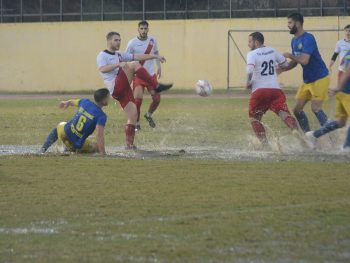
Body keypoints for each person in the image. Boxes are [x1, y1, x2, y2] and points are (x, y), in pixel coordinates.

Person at [97, 32, 172, 149]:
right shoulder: (102, 55)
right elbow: (102, 69)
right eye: (116, 40)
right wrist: (118, 65)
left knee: (133, 114)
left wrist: (155, 56)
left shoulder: (119, 54)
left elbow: (138, 56)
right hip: (116, 87)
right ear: (109, 41)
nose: (119, 42)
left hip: (123, 90)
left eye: (119, 40)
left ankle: (129, 145)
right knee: (133, 65)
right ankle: (155, 86)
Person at [246, 32, 302, 147]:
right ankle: (295, 130)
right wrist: (278, 68)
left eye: (250, 41)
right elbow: (285, 65)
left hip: (260, 91)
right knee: (284, 114)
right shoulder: (272, 50)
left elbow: (250, 71)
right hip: (275, 91)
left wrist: (248, 83)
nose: (248, 44)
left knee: (254, 118)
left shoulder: (252, 54)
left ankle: (265, 144)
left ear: (256, 42)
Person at [280, 13, 330, 133]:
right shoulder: (294, 40)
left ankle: (332, 136)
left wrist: (289, 55)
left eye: (290, 23)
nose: (288, 26)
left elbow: (304, 60)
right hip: (307, 80)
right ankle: (309, 137)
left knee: (316, 108)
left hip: (320, 78)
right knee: (297, 110)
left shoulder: (308, 38)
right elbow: (296, 61)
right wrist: (282, 68)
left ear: (297, 23)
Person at [41, 88, 110, 155]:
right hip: (76, 144)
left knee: (58, 127)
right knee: (97, 147)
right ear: (104, 100)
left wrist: (66, 102)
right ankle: (70, 149)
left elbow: (71, 102)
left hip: (64, 133)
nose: (109, 99)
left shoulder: (85, 101)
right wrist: (102, 153)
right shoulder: (101, 116)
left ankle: (42, 150)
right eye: (108, 97)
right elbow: (99, 135)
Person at [305, 50, 350, 151]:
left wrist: (340, 87)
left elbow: (342, 71)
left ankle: (314, 135)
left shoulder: (348, 53)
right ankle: (347, 147)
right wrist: (339, 87)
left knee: (341, 122)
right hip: (347, 92)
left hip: (344, 92)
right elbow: (348, 71)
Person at [126, 20, 162, 130]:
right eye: (141, 28)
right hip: (138, 76)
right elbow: (126, 57)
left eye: (145, 28)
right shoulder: (132, 43)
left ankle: (149, 115)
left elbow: (156, 54)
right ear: (138, 29)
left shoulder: (152, 40)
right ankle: (136, 123)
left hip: (150, 75)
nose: (143, 30)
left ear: (148, 29)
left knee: (157, 99)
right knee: (137, 100)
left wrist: (159, 67)